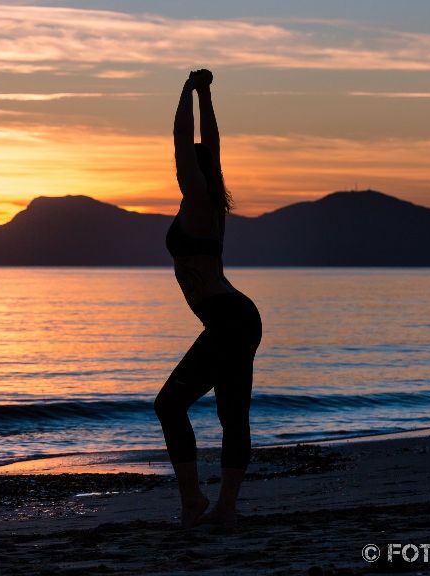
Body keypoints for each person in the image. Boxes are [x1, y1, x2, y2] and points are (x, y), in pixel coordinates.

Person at [154, 69, 263, 530]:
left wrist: (187, 88)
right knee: (231, 415)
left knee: (169, 406)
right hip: (236, 316)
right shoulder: (210, 200)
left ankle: (194, 501)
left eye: (184, 165)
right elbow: (211, 143)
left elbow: (186, 139)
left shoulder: (199, 198)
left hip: (227, 318)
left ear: (191, 170)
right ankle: (225, 508)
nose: (178, 167)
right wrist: (205, 94)